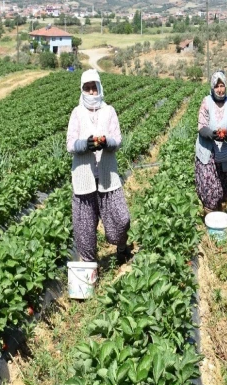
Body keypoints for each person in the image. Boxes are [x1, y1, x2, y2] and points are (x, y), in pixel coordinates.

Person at [66, 69, 131, 263]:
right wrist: (84, 144)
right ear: (82, 90)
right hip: (84, 179)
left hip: (107, 176)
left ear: (100, 88)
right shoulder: (77, 113)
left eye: (94, 88)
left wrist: (106, 143)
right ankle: (89, 271)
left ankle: (121, 246)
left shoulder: (109, 111)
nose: (92, 92)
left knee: (121, 219)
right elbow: (70, 144)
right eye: (87, 88)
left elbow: (118, 140)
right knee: (84, 230)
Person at [195, 71, 227, 213]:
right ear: (212, 87)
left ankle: (221, 212)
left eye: (222, 86)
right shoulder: (206, 102)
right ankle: (210, 217)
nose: (220, 90)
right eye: (217, 86)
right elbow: (201, 126)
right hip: (208, 152)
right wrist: (212, 135)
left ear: (226, 86)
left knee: (225, 185)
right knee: (209, 188)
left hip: (226, 152)